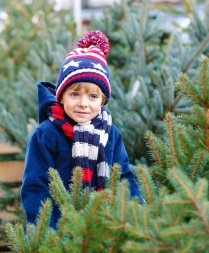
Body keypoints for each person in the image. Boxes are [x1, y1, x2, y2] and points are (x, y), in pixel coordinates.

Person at [21, 30, 145, 228]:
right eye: (75, 94)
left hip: (103, 228)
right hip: (60, 232)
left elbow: (123, 177)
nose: (83, 104)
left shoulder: (110, 134)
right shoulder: (45, 135)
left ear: (103, 100)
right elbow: (35, 187)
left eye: (93, 97)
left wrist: (138, 218)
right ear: (61, 96)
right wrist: (47, 234)